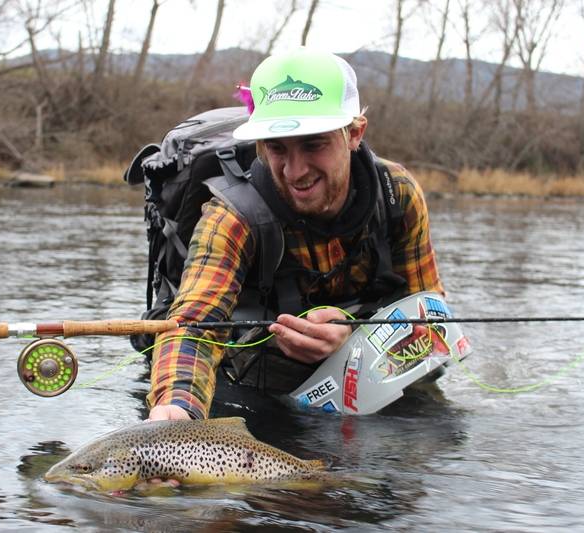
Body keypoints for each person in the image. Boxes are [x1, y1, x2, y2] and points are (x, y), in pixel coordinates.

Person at [147, 48, 444, 421]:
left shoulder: (397, 194)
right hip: (256, 394)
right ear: (260, 146)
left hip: (370, 388)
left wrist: (356, 341)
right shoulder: (231, 217)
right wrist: (176, 409)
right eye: (277, 148)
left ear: (354, 133)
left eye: (313, 144)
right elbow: (193, 325)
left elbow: (434, 324)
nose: (295, 170)